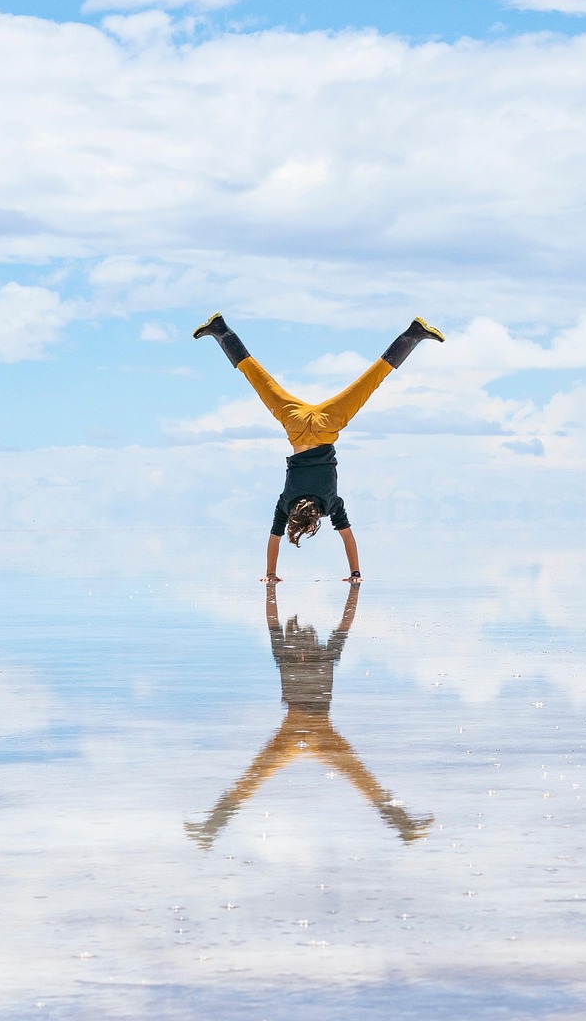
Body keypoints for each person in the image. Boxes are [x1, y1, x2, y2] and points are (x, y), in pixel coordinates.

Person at [192, 312, 444, 582]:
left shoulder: (330, 504)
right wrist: (270, 574)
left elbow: (347, 537)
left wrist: (355, 573)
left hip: (327, 425)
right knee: (257, 377)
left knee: (371, 380)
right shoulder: (285, 504)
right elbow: (274, 539)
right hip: (295, 424)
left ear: (312, 522)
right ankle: (221, 330)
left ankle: (414, 333)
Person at [184, 579, 434, 847]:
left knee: (361, 778)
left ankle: (404, 826)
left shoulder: (327, 653)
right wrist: (270, 588)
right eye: (300, 638)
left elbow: (345, 623)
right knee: (255, 777)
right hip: (292, 730)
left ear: (315, 638)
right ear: (292, 640)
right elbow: (272, 620)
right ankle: (211, 828)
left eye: (308, 637)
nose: (305, 642)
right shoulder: (284, 652)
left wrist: (354, 587)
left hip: (321, 731)